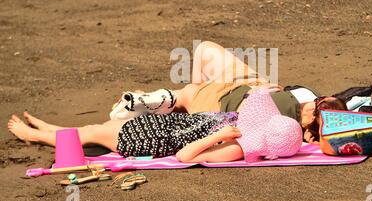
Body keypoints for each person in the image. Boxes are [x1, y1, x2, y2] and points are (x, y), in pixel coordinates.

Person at [7, 89, 345, 163]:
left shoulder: (238, 146)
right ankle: (50, 127)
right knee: (93, 130)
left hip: (157, 138)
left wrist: (222, 134)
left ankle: (35, 135)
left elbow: (185, 156)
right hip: (172, 126)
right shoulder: (255, 133)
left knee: (95, 133)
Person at [108, 41, 348, 143]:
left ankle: (167, 103)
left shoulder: (289, 130)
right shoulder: (306, 107)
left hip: (222, 104)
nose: (311, 104)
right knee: (204, 49)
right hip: (246, 84)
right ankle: (171, 106)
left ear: (312, 128)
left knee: (189, 93)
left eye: (314, 109)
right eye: (317, 101)